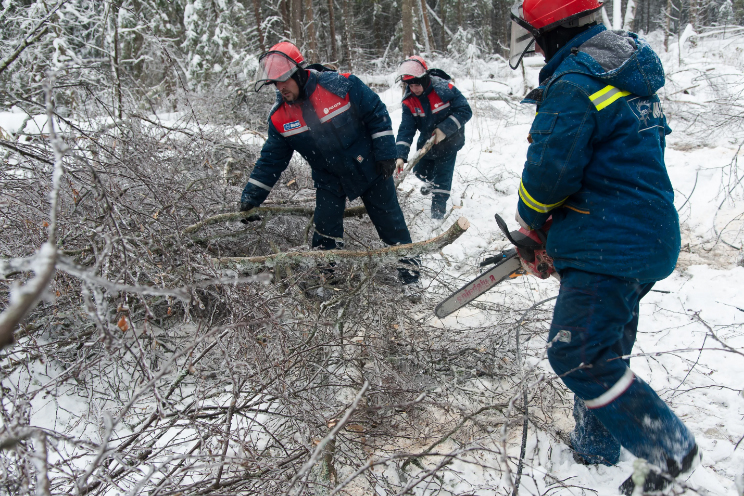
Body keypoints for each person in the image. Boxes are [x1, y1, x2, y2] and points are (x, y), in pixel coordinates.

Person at [507, 0, 698, 494]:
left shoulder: (574, 82)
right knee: (606, 347)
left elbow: (550, 172)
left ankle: (671, 451)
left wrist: (531, 223)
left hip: (608, 245)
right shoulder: (621, 67)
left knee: (579, 356)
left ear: (549, 31)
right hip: (643, 236)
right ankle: (596, 449)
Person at [241, 42, 420, 291]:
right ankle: (327, 282)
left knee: (392, 226)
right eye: (275, 84)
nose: (281, 88)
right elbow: (272, 158)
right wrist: (252, 195)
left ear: (299, 74)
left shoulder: (341, 85)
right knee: (325, 232)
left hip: (369, 167)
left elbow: (376, 113)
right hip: (329, 179)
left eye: (284, 81)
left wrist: (386, 153)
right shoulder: (280, 116)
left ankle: (411, 277)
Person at [394, 56, 472, 220]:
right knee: (420, 172)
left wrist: (444, 129)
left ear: (424, 79)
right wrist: (400, 155)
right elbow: (406, 129)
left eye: (417, 84)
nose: (414, 89)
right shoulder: (410, 101)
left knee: (442, 181)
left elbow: (465, 110)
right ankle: (430, 181)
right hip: (427, 142)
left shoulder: (444, 89)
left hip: (450, 141)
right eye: (411, 85)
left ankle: (437, 217)